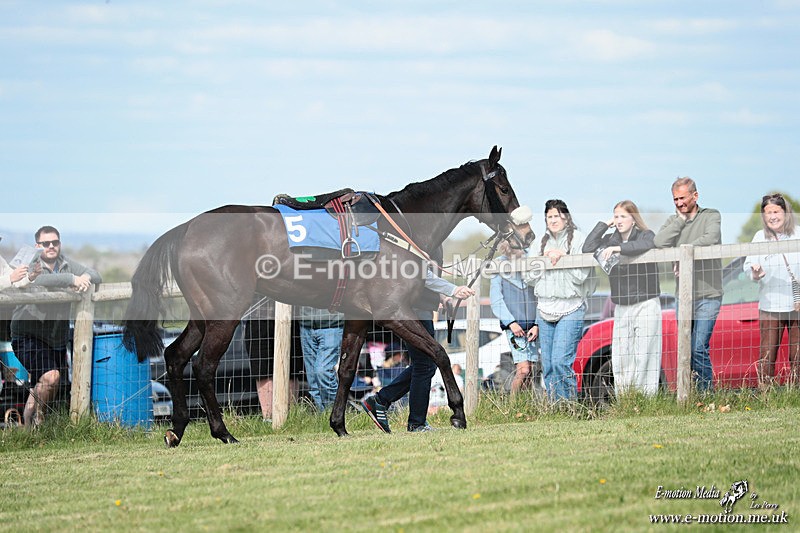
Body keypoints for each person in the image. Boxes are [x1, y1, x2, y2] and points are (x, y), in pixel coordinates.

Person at [361, 262, 474, 433]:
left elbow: (426, 276)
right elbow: (420, 273)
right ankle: (414, 421)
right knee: (425, 365)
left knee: (424, 364)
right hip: (414, 311)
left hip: (420, 309)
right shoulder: (414, 245)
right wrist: (452, 289)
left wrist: (443, 297)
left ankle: (382, 401)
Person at [11, 226, 102, 427]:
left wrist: (85, 278)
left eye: (55, 242)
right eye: (46, 243)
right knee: (51, 378)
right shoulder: (30, 262)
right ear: (37, 245)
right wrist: (72, 279)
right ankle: (39, 419)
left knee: (47, 383)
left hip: (56, 338)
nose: (51, 246)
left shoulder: (66, 263)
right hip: (28, 334)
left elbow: (96, 275)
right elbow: (41, 280)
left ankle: (27, 425)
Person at [583, 200, 662, 396]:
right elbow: (588, 246)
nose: (619, 220)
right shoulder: (610, 239)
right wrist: (605, 225)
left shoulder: (645, 234)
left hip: (646, 302)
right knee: (621, 355)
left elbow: (647, 244)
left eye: (623, 216)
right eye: (616, 216)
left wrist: (618, 250)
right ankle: (625, 398)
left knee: (644, 354)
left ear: (633, 219)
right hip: (622, 305)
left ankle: (645, 398)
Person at [654, 177, 722, 392]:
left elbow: (711, 238)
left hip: (708, 294)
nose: (679, 203)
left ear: (695, 196)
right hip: (683, 296)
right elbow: (659, 242)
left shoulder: (711, 215)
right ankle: (689, 393)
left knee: (698, 346)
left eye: (682, 197)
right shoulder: (673, 221)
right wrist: (680, 221)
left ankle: (706, 393)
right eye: (675, 199)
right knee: (686, 348)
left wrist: (683, 255)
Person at [526, 199, 595, 402]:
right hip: (545, 308)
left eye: (557, 215)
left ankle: (568, 405)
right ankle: (554, 406)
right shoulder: (538, 243)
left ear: (566, 217)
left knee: (560, 361)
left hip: (571, 307)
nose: (553, 220)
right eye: (549, 216)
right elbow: (529, 278)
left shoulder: (579, 240)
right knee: (547, 365)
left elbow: (581, 276)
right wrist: (545, 260)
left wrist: (562, 258)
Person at [743, 193, 800, 386]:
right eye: (768, 213)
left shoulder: (798, 234)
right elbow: (748, 265)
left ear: (785, 213)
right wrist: (755, 272)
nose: (772, 217)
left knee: (797, 355)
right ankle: (765, 394)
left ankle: (795, 395)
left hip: (796, 304)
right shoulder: (760, 237)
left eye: (776, 211)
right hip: (770, 304)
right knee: (767, 354)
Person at [490, 240, 540, 395]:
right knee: (523, 369)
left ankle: (524, 404)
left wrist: (537, 323)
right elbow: (496, 299)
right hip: (514, 327)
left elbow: (540, 296)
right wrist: (511, 322)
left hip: (532, 326)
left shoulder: (531, 263)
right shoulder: (499, 266)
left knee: (531, 370)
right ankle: (513, 405)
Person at [243, 296, 304, 421]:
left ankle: (290, 416)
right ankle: (268, 418)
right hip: (257, 315)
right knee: (262, 370)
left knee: (291, 370)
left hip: (290, 316)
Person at [298, 306, 344, 411]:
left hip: (332, 324)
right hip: (306, 325)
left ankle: (335, 412)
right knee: (313, 381)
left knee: (322, 371)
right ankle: (323, 417)